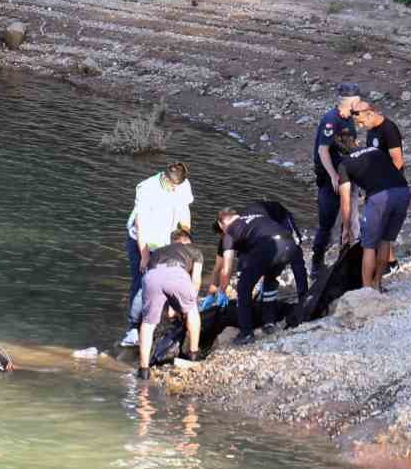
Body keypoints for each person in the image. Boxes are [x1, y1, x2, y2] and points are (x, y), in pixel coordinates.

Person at [121, 163, 193, 347]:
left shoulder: (183, 184)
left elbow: (185, 211)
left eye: (178, 186)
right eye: (173, 186)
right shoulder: (147, 188)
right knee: (141, 283)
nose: (176, 189)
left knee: (171, 278)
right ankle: (133, 329)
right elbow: (140, 225)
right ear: (166, 178)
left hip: (167, 242)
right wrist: (144, 255)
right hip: (143, 241)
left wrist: (184, 235)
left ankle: (168, 317)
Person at [216, 205, 309, 346]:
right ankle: (269, 322)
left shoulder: (229, 233)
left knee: (243, 288)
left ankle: (246, 333)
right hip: (288, 244)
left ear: (221, 224)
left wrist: (221, 291)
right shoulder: (254, 216)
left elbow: (227, 268)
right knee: (270, 278)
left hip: (267, 248)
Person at [335, 128, 411, 292]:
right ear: (356, 141)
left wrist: (347, 228)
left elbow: (345, 200)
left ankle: (367, 289)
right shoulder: (375, 150)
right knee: (385, 241)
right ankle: (377, 284)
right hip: (403, 192)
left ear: (339, 152)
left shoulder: (344, 164)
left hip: (380, 197)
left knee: (369, 245)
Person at [135, 229, 203, 381]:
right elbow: (196, 281)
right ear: (188, 241)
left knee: (148, 323)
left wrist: (172, 309)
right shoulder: (194, 251)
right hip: (177, 274)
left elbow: (161, 286)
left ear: (173, 241)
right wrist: (189, 302)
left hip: (151, 276)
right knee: (192, 311)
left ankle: (143, 369)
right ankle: (193, 355)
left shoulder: (159, 251)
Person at [312, 82, 362, 276]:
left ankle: (348, 258)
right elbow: (322, 150)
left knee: (352, 217)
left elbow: (351, 143)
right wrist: (333, 175)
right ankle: (317, 263)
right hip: (330, 177)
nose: (359, 104)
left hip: (348, 173)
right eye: (357, 101)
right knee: (327, 219)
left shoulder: (350, 118)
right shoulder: (331, 120)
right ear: (349, 101)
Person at [357, 102, 405, 275]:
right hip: (376, 184)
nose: (361, 127)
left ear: (370, 113)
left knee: (379, 228)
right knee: (380, 227)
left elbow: (398, 160)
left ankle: (387, 265)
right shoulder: (372, 130)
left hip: (388, 185)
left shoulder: (389, 129)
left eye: (362, 122)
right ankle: (390, 262)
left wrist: (382, 183)